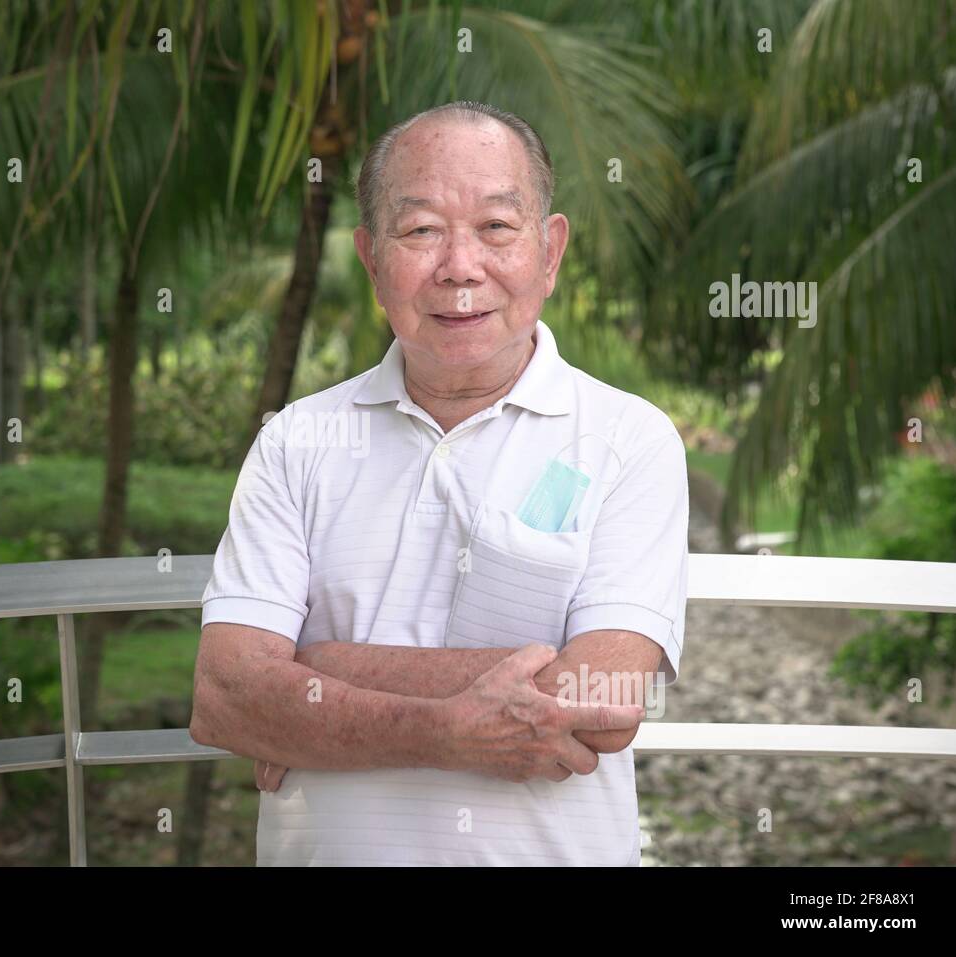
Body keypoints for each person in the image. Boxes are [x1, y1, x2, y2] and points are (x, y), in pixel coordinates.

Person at [190, 101, 689, 866]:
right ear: (371, 259)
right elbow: (226, 696)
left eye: (496, 227)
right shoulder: (296, 438)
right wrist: (451, 728)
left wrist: (319, 668)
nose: (460, 265)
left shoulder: (629, 437)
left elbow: (601, 699)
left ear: (549, 252)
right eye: (421, 230)